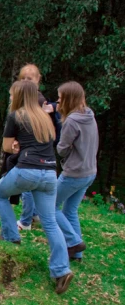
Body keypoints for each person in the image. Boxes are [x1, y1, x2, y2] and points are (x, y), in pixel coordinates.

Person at [0, 80, 72, 294]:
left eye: (12, 95)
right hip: (49, 173)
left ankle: (11, 236)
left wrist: (17, 144)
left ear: (19, 96)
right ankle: (62, 269)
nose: (10, 98)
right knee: (49, 221)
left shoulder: (15, 116)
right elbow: (48, 142)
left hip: (27, 170)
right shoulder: (44, 118)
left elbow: (7, 147)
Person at [55, 81, 98, 262]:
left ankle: (73, 242)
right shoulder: (89, 114)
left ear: (68, 100)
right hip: (90, 171)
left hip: (74, 173)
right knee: (70, 211)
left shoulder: (72, 121)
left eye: (60, 98)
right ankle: (77, 254)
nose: (57, 101)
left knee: (49, 207)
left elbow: (62, 149)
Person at [15, 63, 61, 231]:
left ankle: (25, 220)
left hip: (36, 147)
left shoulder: (39, 100)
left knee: (27, 184)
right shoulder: (24, 98)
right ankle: (34, 214)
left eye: (30, 79)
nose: (26, 82)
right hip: (29, 145)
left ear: (38, 80)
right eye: (23, 79)